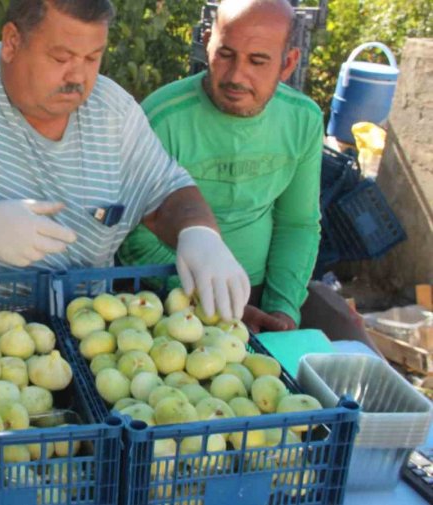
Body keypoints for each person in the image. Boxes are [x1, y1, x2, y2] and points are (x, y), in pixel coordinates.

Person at [0, 0, 250, 321]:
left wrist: (199, 234)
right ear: (12, 41)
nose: (77, 76)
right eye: (61, 57)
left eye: (92, 58)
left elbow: (166, 192)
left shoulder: (112, 112)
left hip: (81, 340)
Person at [118, 0, 323, 332]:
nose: (236, 76)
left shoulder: (304, 120)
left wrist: (282, 310)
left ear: (288, 64)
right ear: (207, 41)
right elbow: (134, 240)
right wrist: (206, 301)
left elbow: (297, 224)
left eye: (258, 61)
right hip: (168, 300)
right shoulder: (162, 117)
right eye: (225, 54)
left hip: (260, 295)